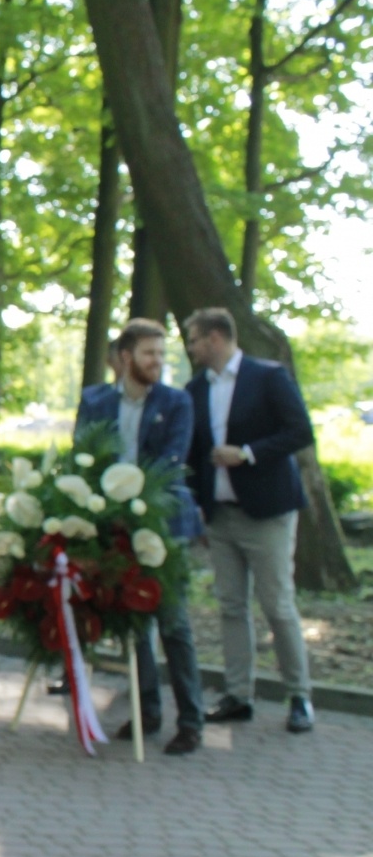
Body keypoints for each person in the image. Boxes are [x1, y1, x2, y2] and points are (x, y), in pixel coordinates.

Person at [185, 307, 317, 734]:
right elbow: (193, 453)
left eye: (194, 340)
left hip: (268, 512)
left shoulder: (268, 377)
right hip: (220, 516)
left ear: (216, 338)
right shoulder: (195, 389)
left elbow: (300, 431)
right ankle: (238, 695)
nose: (191, 348)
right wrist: (199, 504)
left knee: (277, 604)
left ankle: (299, 696)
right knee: (230, 606)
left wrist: (247, 454)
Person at [74, 319, 204, 755]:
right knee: (134, 621)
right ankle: (147, 711)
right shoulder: (95, 401)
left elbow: (171, 462)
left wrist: (130, 498)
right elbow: (84, 458)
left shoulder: (176, 402)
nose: (158, 362)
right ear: (126, 357)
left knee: (173, 621)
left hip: (164, 523)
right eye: (150, 353)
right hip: (112, 525)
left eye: (162, 354)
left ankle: (191, 721)